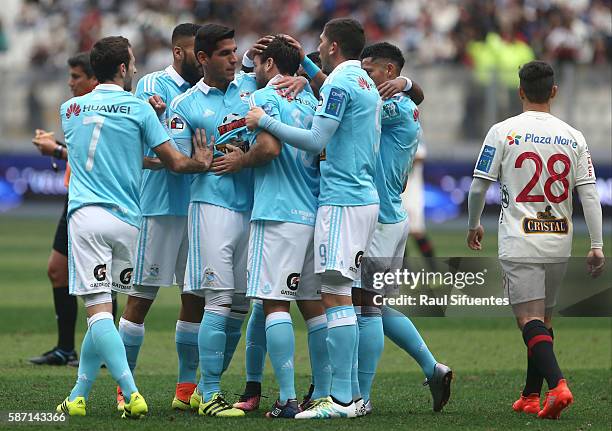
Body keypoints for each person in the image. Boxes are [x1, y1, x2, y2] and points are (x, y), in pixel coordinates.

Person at [55, 36, 213, 418]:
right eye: (133, 63)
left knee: (98, 312)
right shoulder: (139, 109)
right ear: (123, 68)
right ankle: (79, 394)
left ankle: (130, 390)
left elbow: (104, 151)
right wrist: (202, 161)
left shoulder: (69, 108)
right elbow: (172, 162)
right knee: (107, 313)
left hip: (86, 216)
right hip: (127, 221)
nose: (137, 69)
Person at [247, 18, 381, 419]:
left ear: (335, 46)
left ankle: (339, 400)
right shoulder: (365, 82)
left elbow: (317, 140)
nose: (317, 48)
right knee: (339, 299)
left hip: (341, 199)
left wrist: (264, 121)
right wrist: (305, 69)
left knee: (335, 297)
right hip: (360, 198)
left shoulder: (340, 84)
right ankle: (348, 395)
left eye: (321, 42)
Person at [466, 60, 604, 420]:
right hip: (559, 239)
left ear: (521, 91)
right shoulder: (574, 136)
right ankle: (529, 395)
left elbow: (479, 185)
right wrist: (596, 245)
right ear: (554, 92)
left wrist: (473, 224)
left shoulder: (503, 131)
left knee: (528, 320)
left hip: (520, 237)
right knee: (544, 319)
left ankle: (558, 386)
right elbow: (589, 195)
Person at [211, 35, 329, 418]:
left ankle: (287, 398)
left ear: (270, 65)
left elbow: (269, 149)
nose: (254, 71)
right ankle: (324, 393)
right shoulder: (313, 99)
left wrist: (241, 160)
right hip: (312, 213)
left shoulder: (265, 99)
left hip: (278, 211)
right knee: (314, 307)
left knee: (274, 302)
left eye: (258, 64)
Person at [356, 42, 452, 415]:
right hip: (391, 215)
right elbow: (418, 95)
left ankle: (359, 396)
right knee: (373, 305)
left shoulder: (391, 107)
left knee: (364, 307)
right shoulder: (403, 103)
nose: (364, 75)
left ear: (390, 73)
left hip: (378, 217)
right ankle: (432, 367)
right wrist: (411, 84)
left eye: (370, 69)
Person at [115, 23, 205, 412]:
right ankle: (125, 388)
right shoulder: (152, 87)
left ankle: (185, 390)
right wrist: (176, 164)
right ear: (178, 52)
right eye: (195, 54)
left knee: (195, 297)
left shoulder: (209, 90)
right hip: (158, 209)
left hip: (201, 209)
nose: (202, 62)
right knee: (140, 298)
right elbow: (136, 147)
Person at [29, 52, 117, 367]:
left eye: (76, 76)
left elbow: (101, 159)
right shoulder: (76, 111)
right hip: (75, 198)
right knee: (57, 269)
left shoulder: (106, 111)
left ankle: (108, 352)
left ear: (94, 79)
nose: (70, 83)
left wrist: (55, 150)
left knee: (104, 278)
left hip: (97, 200)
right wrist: (59, 152)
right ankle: (66, 348)